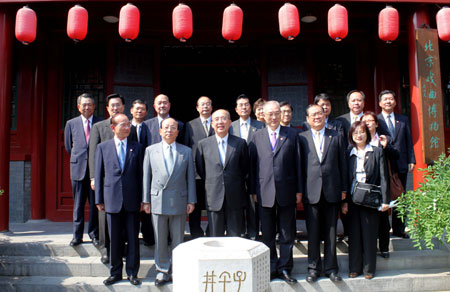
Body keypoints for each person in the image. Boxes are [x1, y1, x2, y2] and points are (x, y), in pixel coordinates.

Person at [249, 100, 302, 284]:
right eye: (269, 114)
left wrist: (299, 190)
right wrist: (254, 190)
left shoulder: (293, 135)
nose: (273, 117)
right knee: (268, 234)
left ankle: (285, 268)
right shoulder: (257, 136)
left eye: (276, 113)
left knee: (287, 233)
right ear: (262, 115)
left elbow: (298, 165)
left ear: (281, 115)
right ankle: (271, 267)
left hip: (287, 190)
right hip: (264, 192)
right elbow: (253, 166)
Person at [143, 118, 196, 287]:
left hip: (179, 200)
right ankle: (162, 270)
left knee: (178, 239)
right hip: (158, 199)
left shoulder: (186, 151)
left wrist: (191, 200)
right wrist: (146, 200)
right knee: (160, 238)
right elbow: (146, 177)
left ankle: (177, 269)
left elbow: (191, 179)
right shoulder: (151, 150)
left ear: (177, 132)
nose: (169, 130)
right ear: (159, 131)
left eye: (173, 127)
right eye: (166, 127)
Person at [298, 104, 347, 283]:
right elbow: (300, 167)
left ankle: (331, 268)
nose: (317, 117)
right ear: (308, 119)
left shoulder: (336, 136)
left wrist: (343, 189)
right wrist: (300, 191)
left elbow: (343, 164)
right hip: (311, 193)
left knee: (331, 233)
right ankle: (313, 268)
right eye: (313, 115)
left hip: (332, 190)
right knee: (313, 233)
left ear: (325, 116)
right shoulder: (301, 138)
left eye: (320, 113)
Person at [94, 113, 144, 286]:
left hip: (132, 200)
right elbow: (99, 174)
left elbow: (141, 176)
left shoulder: (137, 147)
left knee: (132, 238)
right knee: (114, 239)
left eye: (128, 124)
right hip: (111, 199)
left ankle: (132, 272)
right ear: (113, 128)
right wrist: (98, 199)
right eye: (123, 124)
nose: (127, 127)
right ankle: (115, 272)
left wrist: (143, 200)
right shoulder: (103, 147)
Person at [343, 121, 389, 280]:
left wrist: (385, 200)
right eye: (355, 133)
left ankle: (369, 269)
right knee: (354, 234)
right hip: (353, 199)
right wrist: (344, 202)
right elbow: (345, 178)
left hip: (370, 199)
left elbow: (384, 177)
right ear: (351, 136)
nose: (359, 135)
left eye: (362, 132)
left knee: (369, 234)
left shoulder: (376, 151)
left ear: (367, 134)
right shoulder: (348, 152)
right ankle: (354, 268)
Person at [196, 109, 249, 237]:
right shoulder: (203, 144)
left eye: (224, 118)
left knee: (235, 237)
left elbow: (245, 168)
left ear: (230, 122)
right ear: (212, 123)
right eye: (217, 119)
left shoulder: (240, 143)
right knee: (215, 237)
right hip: (213, 196)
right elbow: (201, 170)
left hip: (235, 196)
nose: (220, 122)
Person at [89, 93, 125, 264]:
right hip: (105, 180)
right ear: (107, 108)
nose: (115, 108)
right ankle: (105, 249)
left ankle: (120, 248)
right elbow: (93, 154)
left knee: (122, 216)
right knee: (103, 216)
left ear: (123, 107)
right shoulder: (99, 126)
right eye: (112, 105)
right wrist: (94, 177)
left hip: (124, 181)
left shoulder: (127, 126)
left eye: (118, 105)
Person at [376, 90, 416, 239]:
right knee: (384, 195)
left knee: (401, 196)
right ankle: (384, 228)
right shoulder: (376, 120)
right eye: (385, 99)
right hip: (383, 163)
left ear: (395, 102)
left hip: (400, 163)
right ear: (380, 103)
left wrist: (411, 159)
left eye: (391, 99)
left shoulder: (403, 119)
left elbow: (408, 141)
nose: (388, 101)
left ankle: (399, 228)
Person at [64, 93, 100, 247]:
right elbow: (68, 146)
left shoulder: (100, 123)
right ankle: (77, 235)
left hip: (95, 171)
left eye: (89, 104)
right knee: (78, 205)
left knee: (94, 204)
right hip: (78, 169)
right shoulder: (71, 123)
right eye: (83, 104)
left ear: (94, 106)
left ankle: (94, 234)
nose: (87, 107)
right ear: (78, 107)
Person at [362, 111, 399, 258]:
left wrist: (386, 147)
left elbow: (397, 156)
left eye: (370, 121)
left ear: (376, 124)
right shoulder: (359, 140)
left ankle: (384, 248)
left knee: (383, 218)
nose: (368, 123)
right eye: (365, 121)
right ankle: (369, 248)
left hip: (382, 183)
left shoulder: (384, 139)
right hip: (365, 185)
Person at [229, 94, 264, 239]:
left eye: (246, 104)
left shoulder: (260, 125)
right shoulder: (230, 126)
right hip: (236, 171)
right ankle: (240, 231)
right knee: (237, 203)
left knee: (253, 204)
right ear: (236, 109)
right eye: (241, 105)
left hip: (255, 169)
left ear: (251, 107)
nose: (244, 107)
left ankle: (254, 232)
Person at [184, 96, 214, 238]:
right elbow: (185, 149)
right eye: (202, 104)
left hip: (214, 173)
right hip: (195, 173)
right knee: (195, 206)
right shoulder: (189, 125)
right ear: (197, 108)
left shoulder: (218, 123)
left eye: (208, 104)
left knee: (213, 205)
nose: (205, 107)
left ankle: (211, 231)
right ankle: (195, 234)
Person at [129, 99, 154, 247]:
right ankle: (131, 236)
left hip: (148, 171)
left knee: (147, 204)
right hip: (131, 172)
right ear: (131, 110)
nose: (139, 111)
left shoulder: (149, 127)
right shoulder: (125, 127)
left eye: (143, 109)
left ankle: (148, 236)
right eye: (137, 109)